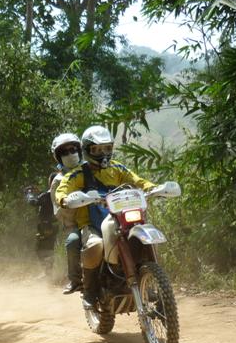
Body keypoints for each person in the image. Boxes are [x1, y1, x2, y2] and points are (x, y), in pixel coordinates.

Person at [55, 125, 157, 309]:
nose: (103, 154)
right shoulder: (79, 173)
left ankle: (153, 280)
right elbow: (63, 189)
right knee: (95, 246)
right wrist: (65, 199)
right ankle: (90, 290)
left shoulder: (117, 168)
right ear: (87, 150)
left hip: (119, 217)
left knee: (143, 235)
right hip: (92, 223)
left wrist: (153, 188)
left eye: (107, 148)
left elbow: (137, 180)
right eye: (97, 150)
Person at [48, 133, 85, 294]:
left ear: (79, 150)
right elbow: (59, 209)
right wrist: (72, 203)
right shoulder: (58, 181)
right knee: (72, 241)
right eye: (65, 152)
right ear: (58, 156)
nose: (70, 154)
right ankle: (76, 280)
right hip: (76, 224)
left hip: (101, 216)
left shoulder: (91, 169)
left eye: (73, 150)